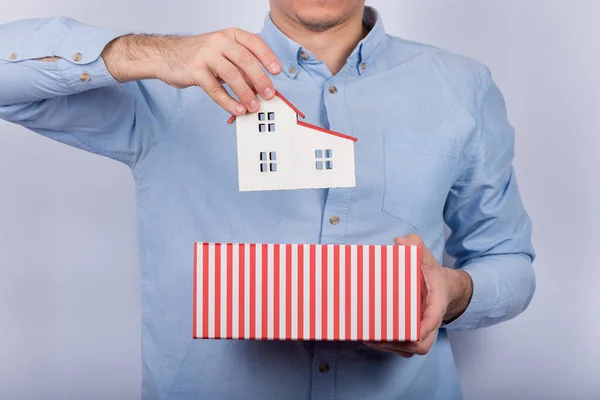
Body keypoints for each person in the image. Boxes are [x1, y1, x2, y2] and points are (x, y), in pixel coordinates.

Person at [0, 1, 536, 399]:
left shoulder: (461, 87)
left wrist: (455, 290)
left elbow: (508, 262)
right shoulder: (172, 83)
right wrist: (155, 52)